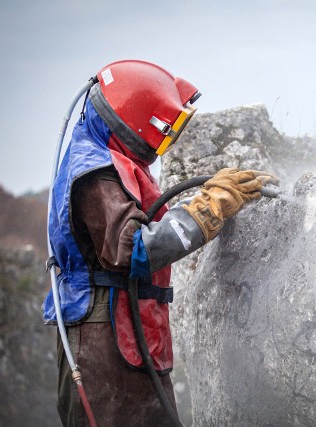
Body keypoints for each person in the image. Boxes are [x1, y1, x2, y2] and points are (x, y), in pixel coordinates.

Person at [42, 60, 277, 426]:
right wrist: (207, 209)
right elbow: (134, 248)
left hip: (126, 337)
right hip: (103, 346)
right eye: (159, 132)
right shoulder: (96, 173)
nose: (161, 144)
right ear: (132, 120)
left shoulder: (111, 157)